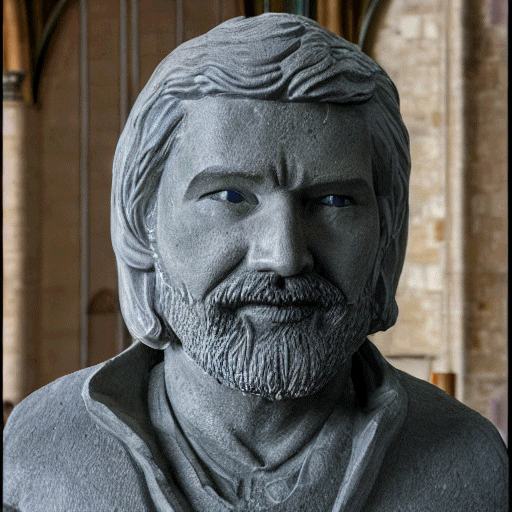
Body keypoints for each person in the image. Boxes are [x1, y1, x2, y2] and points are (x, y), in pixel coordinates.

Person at [3, 14, 507, 512]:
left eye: (333, 201)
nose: (285, 256)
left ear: (388, 232)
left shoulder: (471, 465)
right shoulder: (36, 456)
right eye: (230, 195)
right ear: (141, 223)